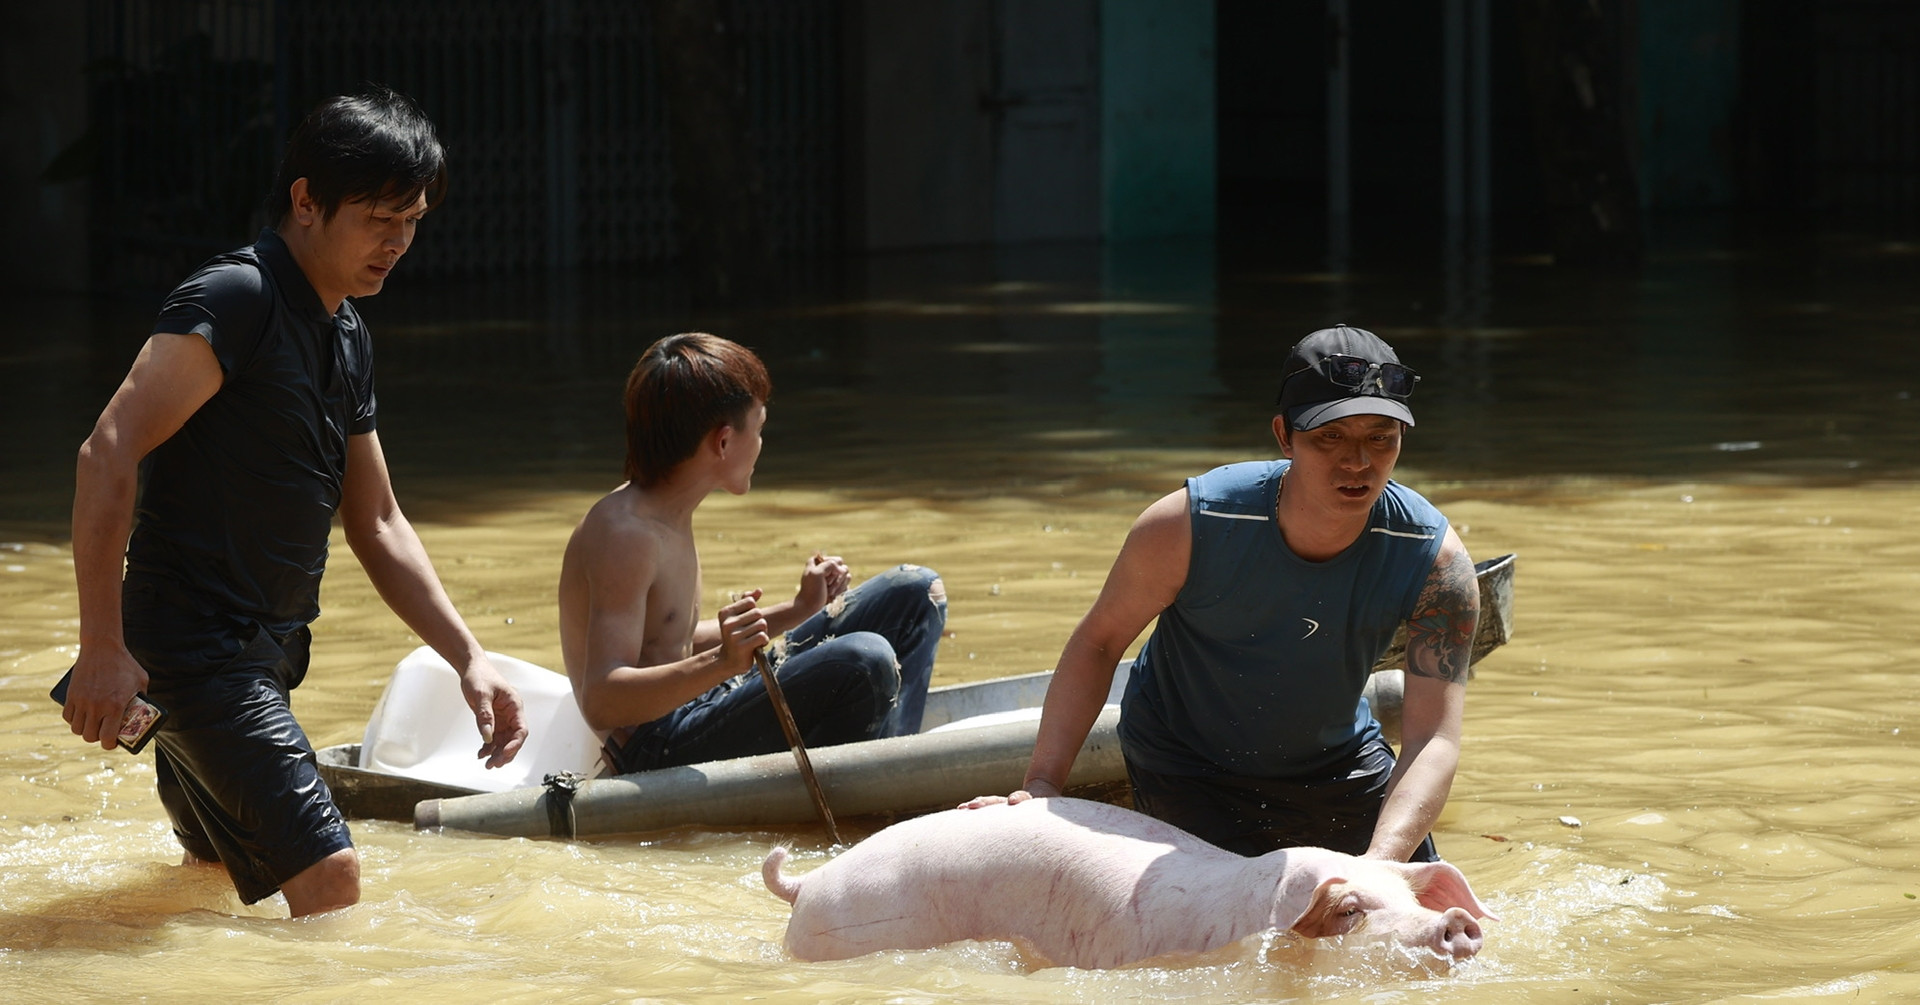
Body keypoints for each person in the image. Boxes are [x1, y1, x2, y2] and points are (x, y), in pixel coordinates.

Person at [63, 88, 528, 917]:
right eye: (380, 218)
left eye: (412, 221)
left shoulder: (345, 332)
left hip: (263, 653)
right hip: (199, 650)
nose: (399, 243)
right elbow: (107, 451)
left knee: (207, 887)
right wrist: (101, 644)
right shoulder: (237, 298)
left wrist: (469, 656)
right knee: (332, 877)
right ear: (305, 201)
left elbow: (377, 519)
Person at [967, 325, 1478, 863]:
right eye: (1330, 435)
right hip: (1188, 764)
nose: (1357, 461)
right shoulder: (1191, 523)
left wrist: (1381, 865)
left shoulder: (1435, 562)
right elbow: (1100, 642)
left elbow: (1433, 739)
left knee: (1421, 932)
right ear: (1285, 436)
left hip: (1337, 760)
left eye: (1381, 437)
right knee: (1227, 939)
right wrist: (1044, 786)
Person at [558, 333, 948, 774]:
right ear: (723, 443)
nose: (761, 444)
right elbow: (603, 700)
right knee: (865, 659)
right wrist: (722, 662)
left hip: (701, 702)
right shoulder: (625, 536)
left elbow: (666, 642)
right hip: (658, 745)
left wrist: (799, 609)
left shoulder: (666, 510)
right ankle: (889, 788)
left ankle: (895, 770)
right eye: (758, 429)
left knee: (915, 592)